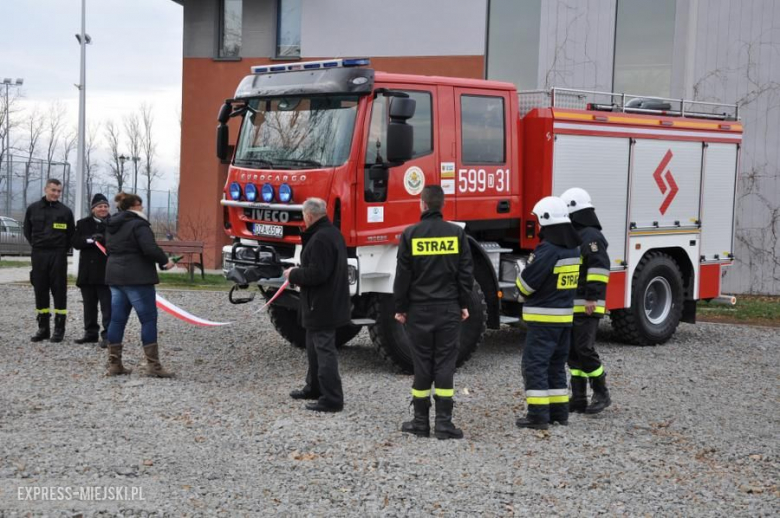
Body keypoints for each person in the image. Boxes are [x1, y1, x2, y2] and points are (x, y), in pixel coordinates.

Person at [393, 185, 473, 440]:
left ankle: (420, 423)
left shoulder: (410, 234)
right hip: (448, 308)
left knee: (422, 363)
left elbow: (403, 275)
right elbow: (465, 274)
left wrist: (400, 307)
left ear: (423, 204)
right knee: (445, 363)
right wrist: (463, 303)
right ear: (442, 205)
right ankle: (444, 424)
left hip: (419, 310)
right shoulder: (456, 234)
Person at [515, 196, 581, 430]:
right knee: (555, 366)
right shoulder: (572, 249)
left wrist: (522, 271)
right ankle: (559, 413)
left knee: (535, 365)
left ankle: (538, 415)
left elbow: (526, 287)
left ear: (546, 220)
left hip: (543, 320)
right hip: (564, 319)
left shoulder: (548, 251)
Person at [284, 198, 350, 413]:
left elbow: (318, 273)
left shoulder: (321, 238)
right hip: (321, 303)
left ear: (309, 216)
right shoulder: (331, 234)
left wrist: (293, 274)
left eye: (303, 216)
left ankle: (332, 398)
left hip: (322, 304)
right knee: (313, 347)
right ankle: (314, 387)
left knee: (324, 350)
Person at [104, 193, 175, 377]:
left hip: (115, 276)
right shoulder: (138, 224)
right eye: (140, 205)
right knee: (148, 319)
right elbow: (149, 248)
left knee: (117, 320)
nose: (142, 208)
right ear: (134, 206)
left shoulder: (111, 224)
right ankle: (153, 366)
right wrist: (165, 261)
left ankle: (114, 364)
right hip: (137, 277)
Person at [560, 187, 612, 414]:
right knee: (573, 351)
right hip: (576, 303)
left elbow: (599, 267)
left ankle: (602, 393)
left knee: (584, 348)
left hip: (588, 304)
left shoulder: (591, 236)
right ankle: (579, 397)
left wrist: (592, 297)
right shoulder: (578, 235)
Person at [23, 178, 75, 343]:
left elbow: (70, 234)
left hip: (58, 254)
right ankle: (43, 328)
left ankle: (59, 329)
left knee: (59, 290)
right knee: (40, 289)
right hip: (39, 253)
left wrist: (60, 248)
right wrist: (37, 245)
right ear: (46, 189)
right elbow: (27, 230)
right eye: (53, 190)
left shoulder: (65, 211)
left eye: (59, 191)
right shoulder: (33, 209)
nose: (56, 194)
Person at [72, 193, 111, 347]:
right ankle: (90, 333)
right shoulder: (82, 224)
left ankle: (108, 335)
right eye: (100, 206)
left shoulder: (113, 223)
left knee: (107, 306)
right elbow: (75, 242)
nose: (103, 209)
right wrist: (90, 240)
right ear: (93, 208)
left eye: (106, 206)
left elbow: (117, 243)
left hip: (105, 273)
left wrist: (104, 239)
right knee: (89, 305)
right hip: (87, 273)